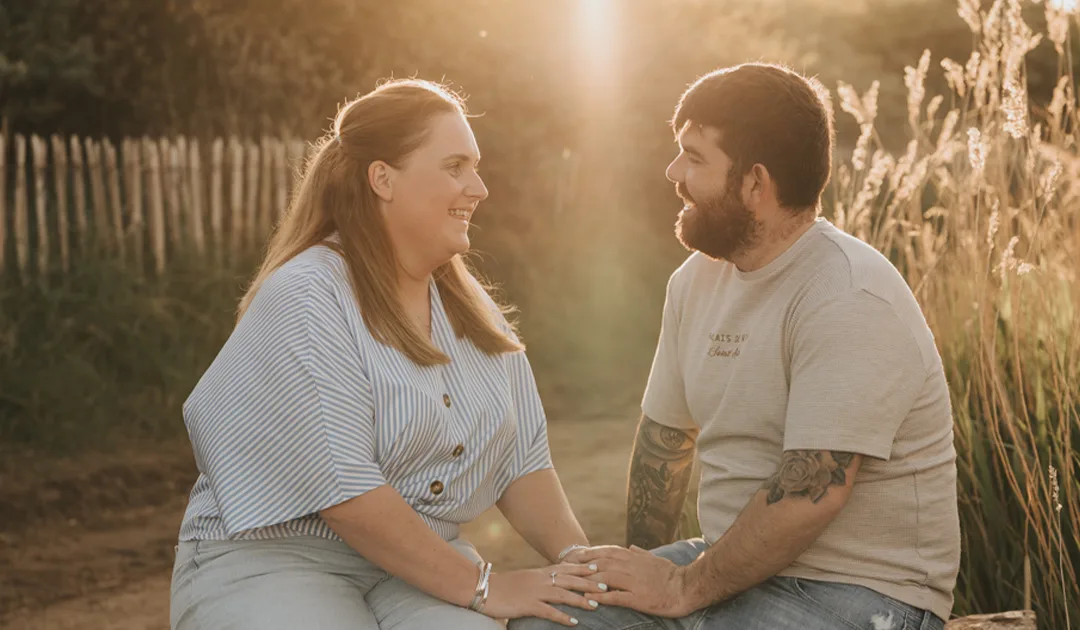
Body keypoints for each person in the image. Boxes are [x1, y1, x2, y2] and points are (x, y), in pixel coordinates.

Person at [512, 63, 961, 630]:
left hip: (859, 593)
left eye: (694, 157)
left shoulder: (848, 294)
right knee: (550, 621)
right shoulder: (695, 281)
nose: (673, 171)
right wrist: (642, 576)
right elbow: (663, 444)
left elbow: (810, 493)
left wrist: (680, 588)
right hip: (722, 565)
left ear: (755, 183)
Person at [169, 79, 605, 630]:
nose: (480, 187)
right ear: (383, 179)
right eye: (455, 166)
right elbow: (345, 492)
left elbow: (522, 463)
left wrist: (580, 565)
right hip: (273, 561)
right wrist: (484, 586)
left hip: (415, 567)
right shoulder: (307, 295)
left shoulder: (472, 311)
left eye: (475, 166)